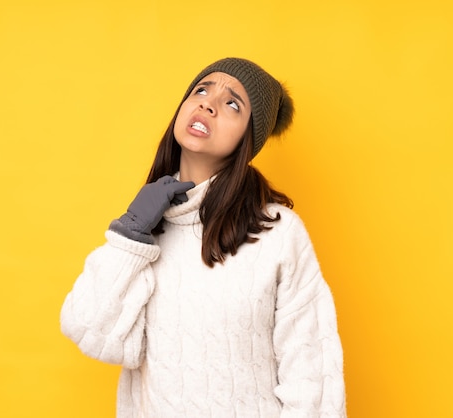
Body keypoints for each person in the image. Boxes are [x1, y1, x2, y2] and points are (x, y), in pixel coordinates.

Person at [60, 57, 346, 417]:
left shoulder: (277, 232)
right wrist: (131, 233)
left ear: (248, 138)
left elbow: (312, 380)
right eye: (201, 89)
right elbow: (92, 332)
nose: (207, 103)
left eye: (232, 104)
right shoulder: (146, 232)